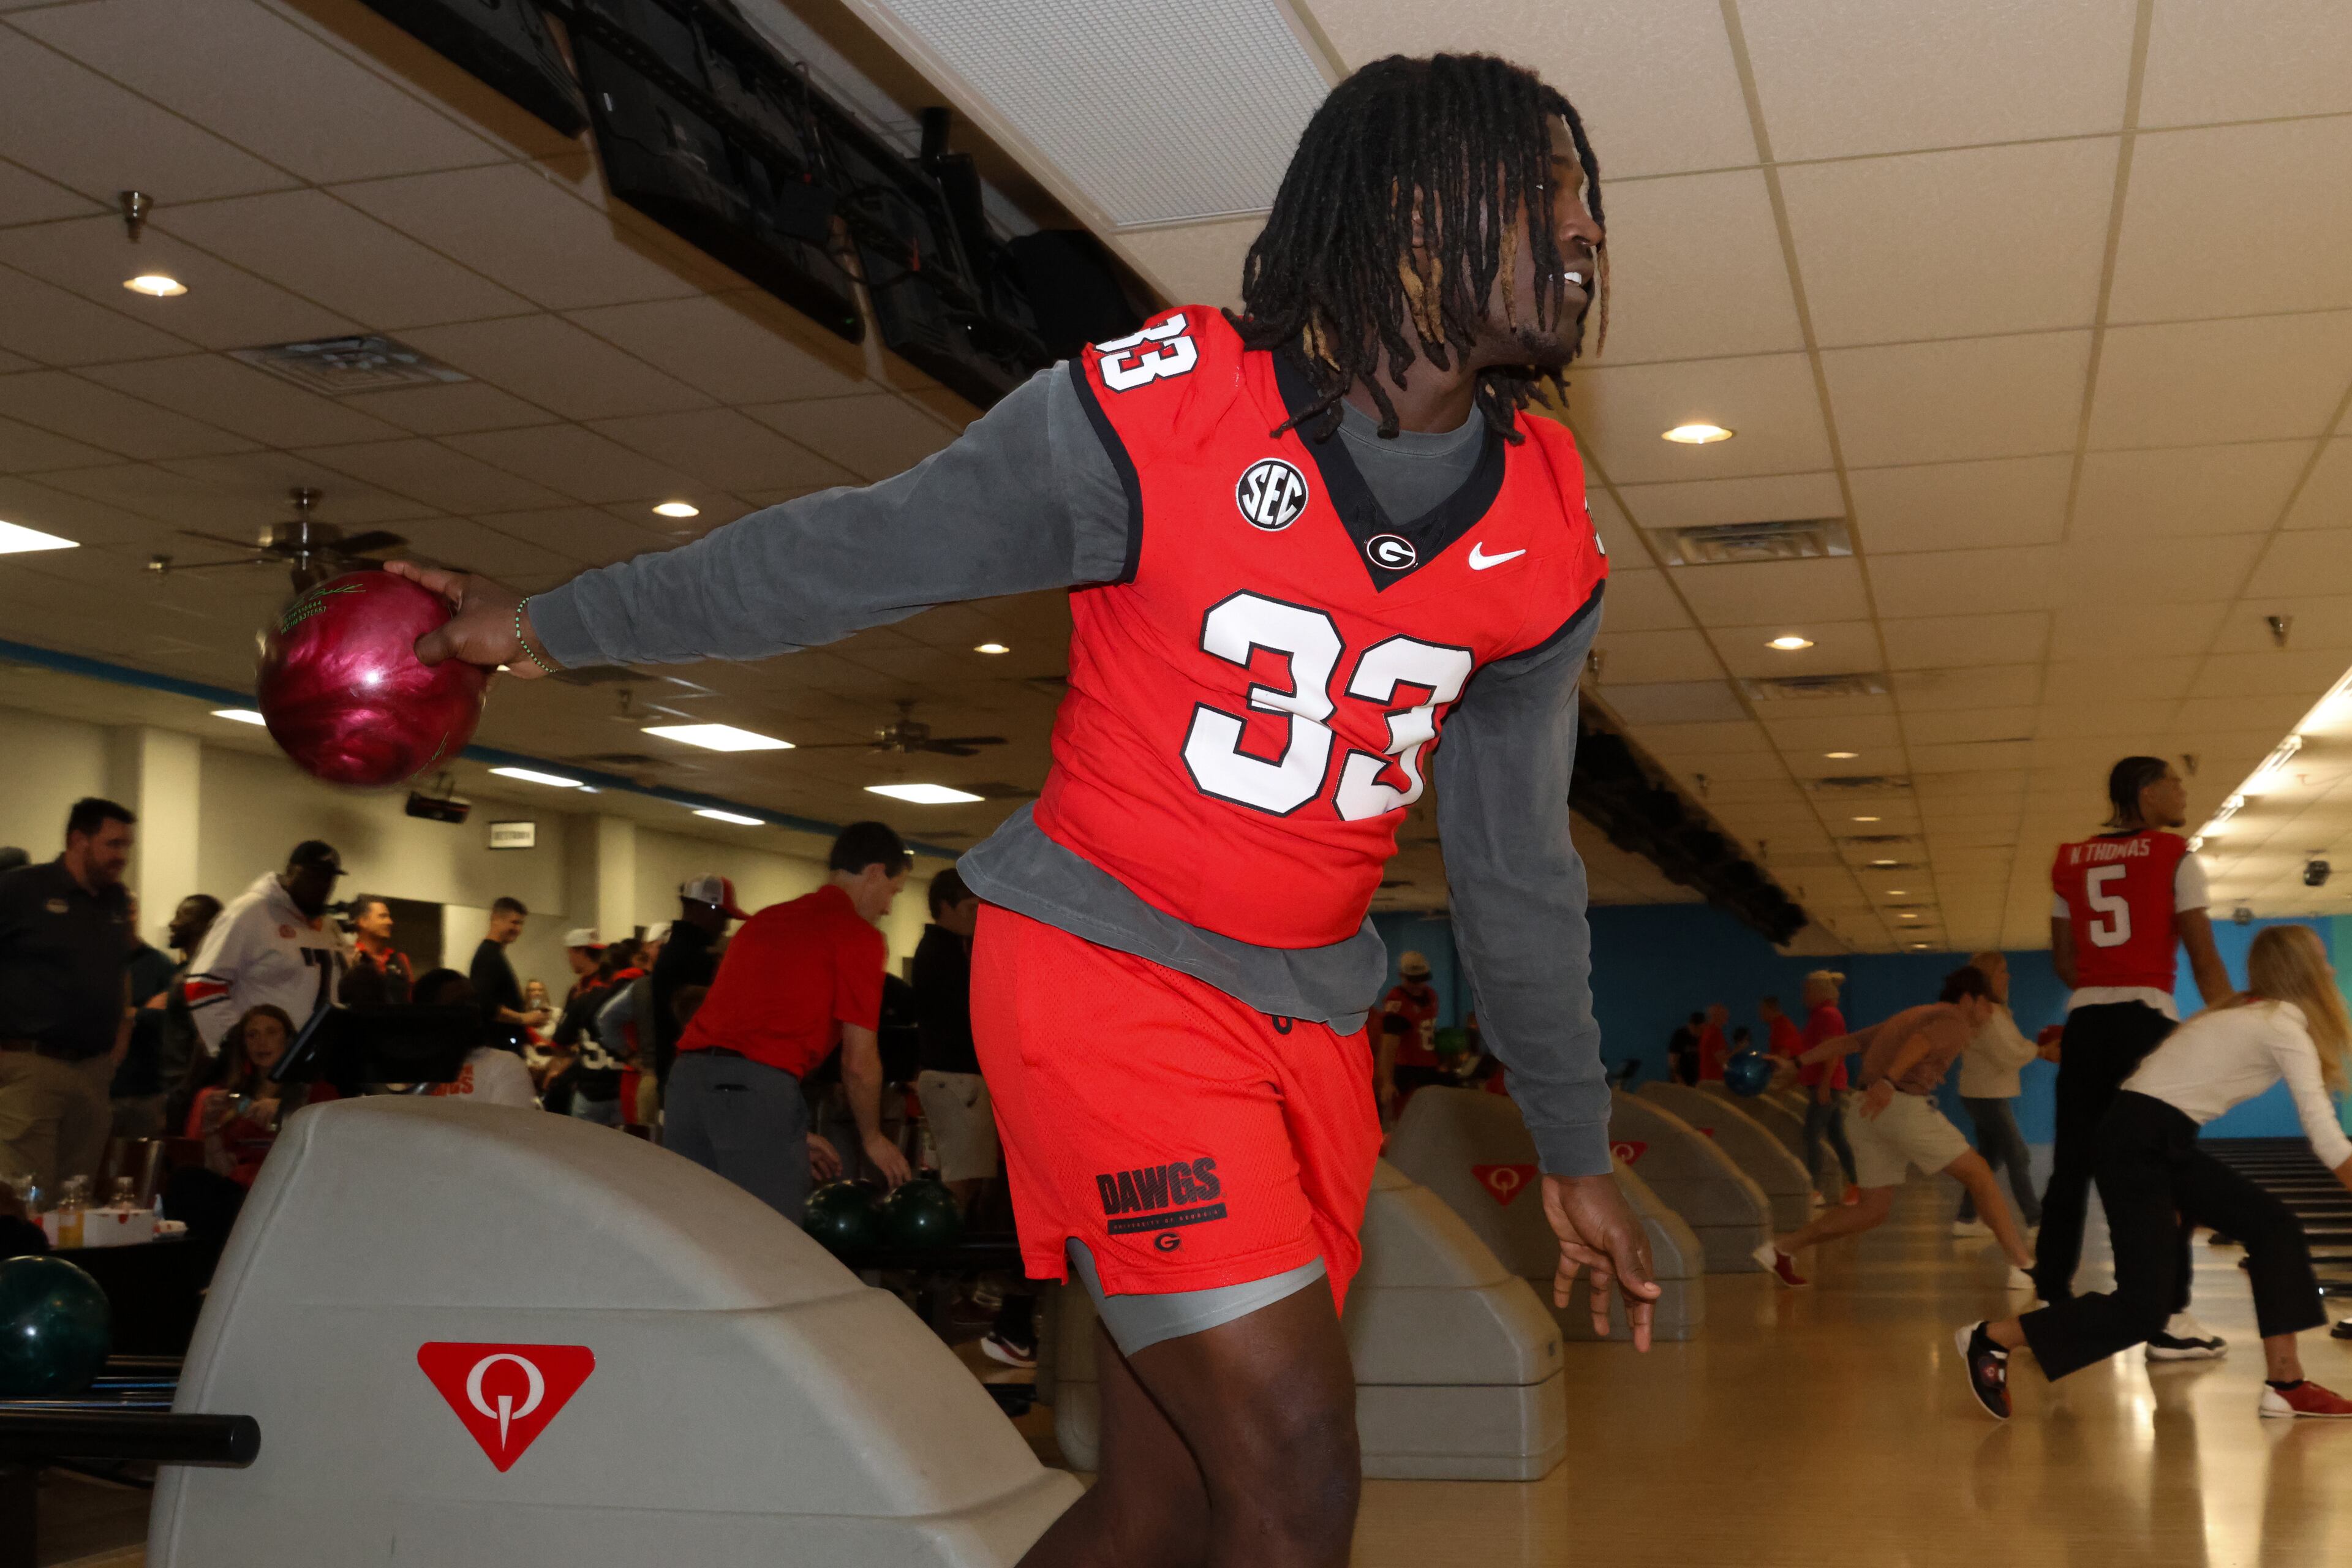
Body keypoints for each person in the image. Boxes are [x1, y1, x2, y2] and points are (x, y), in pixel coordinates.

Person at [394, 53, 1652, 1568]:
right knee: (1298, 1469)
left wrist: (1571, 1137)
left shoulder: (1543, 517)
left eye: (1582, 198)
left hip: (1305, 1021)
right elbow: (843, 553)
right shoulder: (1161, 412)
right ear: (1400, 208)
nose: (1579, 229)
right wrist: (545, 623)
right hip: (1107, 975)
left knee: (1162, 1499)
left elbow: (1518, 866)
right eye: (1542, 192)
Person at [1959, 925, 2352, 1420]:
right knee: (2145, 1308)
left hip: (2154, 1140)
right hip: (2141, 1143)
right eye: (2323, 961)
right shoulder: (2279, 1025)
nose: (2332, 970)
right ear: (2301, 972)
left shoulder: (2251, 1015)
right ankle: (1993, 1338)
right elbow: (2327, 1136)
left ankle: (2286, 1383)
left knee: (2272, 1227)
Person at [2038, 756, 2233, 1355]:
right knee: (2161, 1169)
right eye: (2174, 782)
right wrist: (2232, 1021)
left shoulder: (2067, 859)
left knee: (2073, 1162)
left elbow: (2064, 959)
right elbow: (2201, 955)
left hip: (2087, 1023)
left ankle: (2052, 1297)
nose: (2182, 792)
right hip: (2146, 1022)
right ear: (2146, 793)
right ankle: (2168, 1317)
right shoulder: (2174, 854)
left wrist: (2100, 988)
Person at [666, 824, 913, 1221]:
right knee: (769, 1238)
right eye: (894, 892)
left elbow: (734, 1037)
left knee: (693, 1231)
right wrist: (873, 1138)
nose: (887, 907)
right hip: (754, 1088)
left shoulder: (766, 921)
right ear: (875, 873)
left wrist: (787, 1132)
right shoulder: (858, 937)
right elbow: (859, 1062)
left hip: (687, 1084)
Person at [1753, 967, 2035, 1289]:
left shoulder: (1915, 1014)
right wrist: (1889, 1081)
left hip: (1863, 1110)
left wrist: (1798, 1063)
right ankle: (2022, 1264)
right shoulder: (1953, 1019)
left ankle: (1782, 1247)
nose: (1988, 1014)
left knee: (1872, 1210)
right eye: (1987, 1005)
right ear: (1970, 999)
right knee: (1980, 1174)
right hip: (1898, 1105)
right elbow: (1921, 1043)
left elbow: (1849, 1042)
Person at [0, 798, 137, 1199]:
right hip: (32, 1064)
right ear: (79, 840)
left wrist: (121, 1035)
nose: (122, 856)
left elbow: (119, 971)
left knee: (74, 1206)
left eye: (127, 846)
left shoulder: (115, 901)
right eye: (113, 845)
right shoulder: (21, 889)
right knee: (25, 1197)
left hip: (93, 1072)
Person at [184, 840, 348, 1062]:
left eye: (329, 878)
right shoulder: (251, 912)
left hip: (317, 1063)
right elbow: (201, 985)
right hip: (263, 1067)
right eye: (313, 875)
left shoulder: (328, 927)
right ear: (291, 872)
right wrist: (237, 1048)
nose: (322, 885)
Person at [913, 869, 995, 1208]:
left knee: (968, 1177)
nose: (977, 916)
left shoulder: (951, 950)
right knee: (960, 1181)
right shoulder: (940, 953)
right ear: (945, 906)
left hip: (956, 1079)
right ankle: (941, 1254)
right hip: (955, 1079)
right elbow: (974, 1013)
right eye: (970, 908)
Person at [1951, 951, 2043, 1238]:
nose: (2008, 976)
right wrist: (2040, 1051)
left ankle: (1966, 1219)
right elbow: (2007, 1053)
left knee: (1990, 1159)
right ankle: (2035, 1221)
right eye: (2002, 971)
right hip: (1987, 1096)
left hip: (1982, 1094)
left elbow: (2011, 1046)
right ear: (1989, 977)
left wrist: (2037, 1049)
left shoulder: (1991, 1009)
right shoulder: (1986, 1013)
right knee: (2018, 1155)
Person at [650, 876, 741, 1094]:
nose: (726, 925)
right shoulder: (694, 959)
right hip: (694, 1084)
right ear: (704, 908)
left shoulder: (674, 952)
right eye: (723, 916)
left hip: (678, 1079)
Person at [110, 895, 183, 1139]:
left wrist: (129, 1014)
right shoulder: (99, 962)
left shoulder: (159, 965)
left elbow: (165, 1019)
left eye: (128, 909)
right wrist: (138, 1012)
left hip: (145, 1089)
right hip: (103, 1086)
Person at [414, 969, 537, 1107]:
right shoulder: (411, 1068)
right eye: (459, 1005)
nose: (473, 1010)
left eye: (474, 1001)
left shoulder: (505, 1065)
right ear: (429, 1016)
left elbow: (515, 1127)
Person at [156, 894, 223, 1137]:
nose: (173, 924)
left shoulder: (202, 974)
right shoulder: (189, 970)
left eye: (181, 916)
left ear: (204, 925)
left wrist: (183, 1094)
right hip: (177, 1089)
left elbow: (205, 1039)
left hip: (186, 1093)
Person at [1794, 970, 1860, 1206]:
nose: (1804, 994)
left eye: (1807, 990)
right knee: (1836, 1136)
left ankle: (1815, 1189)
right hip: (1826, 1084)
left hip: (1827, 1085)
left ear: (1819, 991)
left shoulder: (1828, 1015)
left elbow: (1833, 1051)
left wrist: (1824, 1085)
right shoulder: (1820, 1015)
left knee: (1811, 1134)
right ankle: (1856, 1185)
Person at [1371, 951, 1446, 1120]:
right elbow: (1389, 1045)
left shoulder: (1431, 995)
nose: (1418, 985)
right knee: (1407, 1118)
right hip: (1407, 1070)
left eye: (1421, 979)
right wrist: (1387, 1082)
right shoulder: (1397, 1003)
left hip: (1429, 1066)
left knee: (1432, 1117)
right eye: (1413, 980)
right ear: (1402, 976)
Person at [469, 897, 546, 1050]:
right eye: (514, 922)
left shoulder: (494, 954)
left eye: (521, 924)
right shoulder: (488, 956)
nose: (519, 930)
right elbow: (486, 1005)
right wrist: (524, 1018)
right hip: (498, 1047)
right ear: (496, 919)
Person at [339, 895, 413, 1008]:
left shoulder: (400, 959)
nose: (390, 922)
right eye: (383, 917)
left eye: (389, 917)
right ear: (363, 921)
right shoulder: (349, 957)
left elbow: (411, 999)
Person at [1695, 1003, 1732, 1082]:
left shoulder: (1707, 1032)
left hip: (1707, 1079)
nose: (1727, 1017)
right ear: (1717, 1016)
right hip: (1714, 1081)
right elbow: (1722, 1060)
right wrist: (1739, 1049)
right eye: (1724, 1015)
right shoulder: (1715, 1033)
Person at [1668, 1011, 1703, 1086]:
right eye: (1695, 1028)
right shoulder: (1680, 1035)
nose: (1698, 1031)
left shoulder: (1703, 1037)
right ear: (1690, 1025)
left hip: (1697, 1081)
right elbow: (1673, 1059)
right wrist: (1679, 1080)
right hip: (1681, 1080)